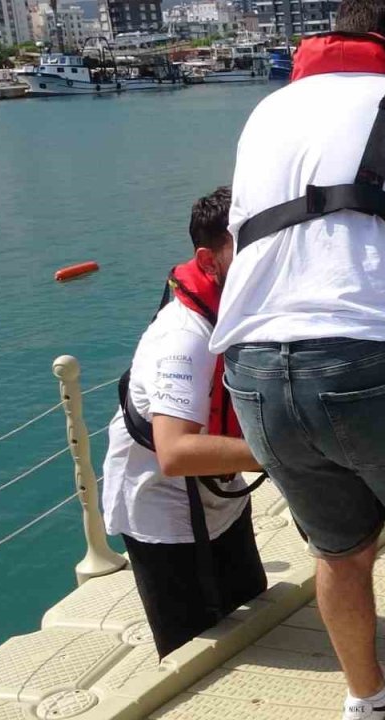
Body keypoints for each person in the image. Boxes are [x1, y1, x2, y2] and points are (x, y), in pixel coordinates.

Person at [211, 1, 385, 718]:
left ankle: (366, 699)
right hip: (378, 359)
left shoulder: (267, 111)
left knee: (337, 552)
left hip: (255, 367)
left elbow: (248, 247)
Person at [101, 187, 268, 660]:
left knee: (254, 623)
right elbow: (174, 452)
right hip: (164, 518)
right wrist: (290, 454)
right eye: (248, 249)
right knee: (195, 655)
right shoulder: (184, 337)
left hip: (221, 499)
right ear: (208, 259)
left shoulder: (236, 313)